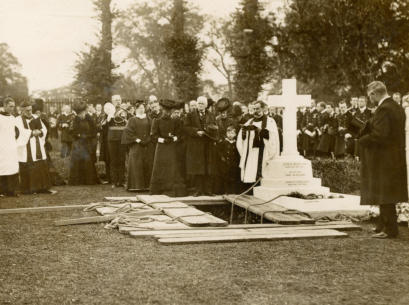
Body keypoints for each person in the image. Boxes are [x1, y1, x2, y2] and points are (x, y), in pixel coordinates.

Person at [359, 81, 408, 238]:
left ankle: (389, 229)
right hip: (395, 156)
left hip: (384, 157)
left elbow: (380, 135)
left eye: (370, 96)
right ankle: (383, 225)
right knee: (387, 192)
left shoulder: (384, 109)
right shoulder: (397, 107)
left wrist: (362, 139)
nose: (370, 100)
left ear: (374, 93)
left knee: (384, 192)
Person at [236, 100, 280, 184]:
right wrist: (244, 134)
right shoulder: (249, 122)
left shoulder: (270, 121)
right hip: (251, 153)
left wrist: (259, 131)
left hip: (263, 153)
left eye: (258, 109)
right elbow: (241, 138)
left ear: (263, 108)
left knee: (262, 173)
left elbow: (273, 137)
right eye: (254, 109)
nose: (256, 111)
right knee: (251, 173)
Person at [149, 99, 186, 196]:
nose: (167, 113)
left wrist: (173, 139)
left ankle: (170, 189)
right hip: (161, 148)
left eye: (169, 111)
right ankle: (158, 190)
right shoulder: (156, 121)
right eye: (166, 111)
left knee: (172, 167)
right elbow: (153, 136)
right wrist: (163, 140)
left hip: (171, 148)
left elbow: (180, 134)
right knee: (160, 168)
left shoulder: (175, 121)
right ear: (162, 110)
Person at [16, 100, 53, 194]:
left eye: (30, 110)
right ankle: (29, 189)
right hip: (26, 147)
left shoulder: (36, 117)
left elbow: (44, 129)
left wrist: (40, 132)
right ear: (21, 110)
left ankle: (43, 188)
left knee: (40, 164)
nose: (29, 112)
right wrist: (31, 133)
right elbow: (18, 132)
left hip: (37, 144)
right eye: (27, 110)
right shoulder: (18, 120)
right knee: (29, 165)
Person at [184, 96, 218, 196]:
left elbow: (215, 127)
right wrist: (196, 132)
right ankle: (197, 191)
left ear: (206, 105)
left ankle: (208, 191)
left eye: (202, 103)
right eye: (199, 103)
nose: (200, 105)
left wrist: (210, 130)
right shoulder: (190, 115)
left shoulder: (211, 115)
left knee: (208, 167)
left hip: (208, 144)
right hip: (196, 145)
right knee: (198, 168)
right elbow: (185, 128)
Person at [121, 101, 151, 191]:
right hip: (136, 146)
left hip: (147, 145)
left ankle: (147, 185)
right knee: (136, 164)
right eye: (139, 108)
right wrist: (137, 140)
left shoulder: (148, 119)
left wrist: (148, 139)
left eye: (142, 108)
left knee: (147, 163)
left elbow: (152, 130)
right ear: (136, 109)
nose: (141, 110)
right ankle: (136, 186)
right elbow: (128, 132)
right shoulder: (132, 120)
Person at [68, 101, 98, 185]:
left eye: (84, 111)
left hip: (87, 142)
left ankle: (88, 180)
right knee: (77, 161)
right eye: (81, 112)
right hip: (78, 143)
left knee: (87, 160)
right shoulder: (75, 119)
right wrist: (78, 135)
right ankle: (77, 180)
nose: (83, 113)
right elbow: (71, 131)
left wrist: (89, 136)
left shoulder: (89, 118)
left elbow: (94, 129)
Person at [0, 97, 24, 196]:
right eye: (10, 106)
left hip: (11, 147)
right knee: (2, 167)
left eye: (13, 107)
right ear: (4, 106)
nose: (12, 109)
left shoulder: (13, 118)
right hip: (1, 147)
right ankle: (1, 191)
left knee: (12, 167)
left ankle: (12, 191)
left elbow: (17, 131)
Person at [107, 95, 128, 188]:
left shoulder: (124, 112)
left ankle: (122, 180)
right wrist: (108, 118)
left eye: (119, 100)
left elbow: (129, 122)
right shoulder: (107, 112)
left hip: (122, 138)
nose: (118, 102)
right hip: (112, 138)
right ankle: (114, 181)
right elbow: (101, 124)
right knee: (113, 160)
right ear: (112, 101)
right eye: (116, 100)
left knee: (122, 159)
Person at [219, 125, 241, 194]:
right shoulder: (223, 142)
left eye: (232, 133)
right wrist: (222, 157)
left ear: (235, 134)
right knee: (225, 176)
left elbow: (238, 152)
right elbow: (219, 151)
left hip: (234, 162)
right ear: (226, 134)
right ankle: (226, 191)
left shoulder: (236, 143)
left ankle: (233, 191)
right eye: (228, 133)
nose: (230, 135)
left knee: (233, 176)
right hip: (226, 162)